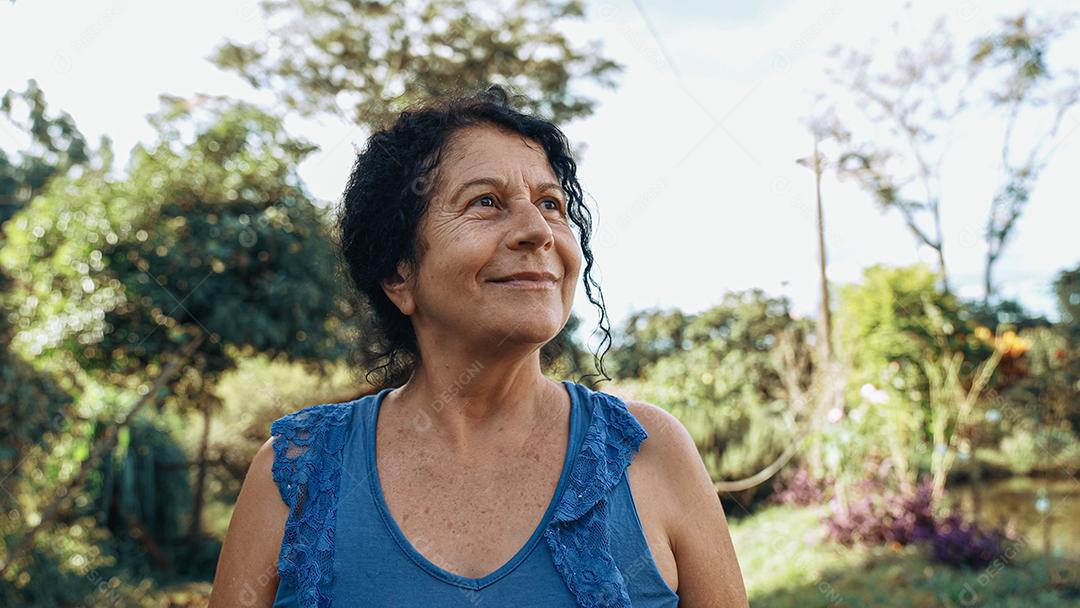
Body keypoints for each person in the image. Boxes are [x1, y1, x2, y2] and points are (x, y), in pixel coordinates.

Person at [210, 85, 748, 607]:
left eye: (551, 204)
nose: (538, 232)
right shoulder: (295, 476)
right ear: (400, 274)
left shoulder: (652, 454)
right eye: (487, 202)